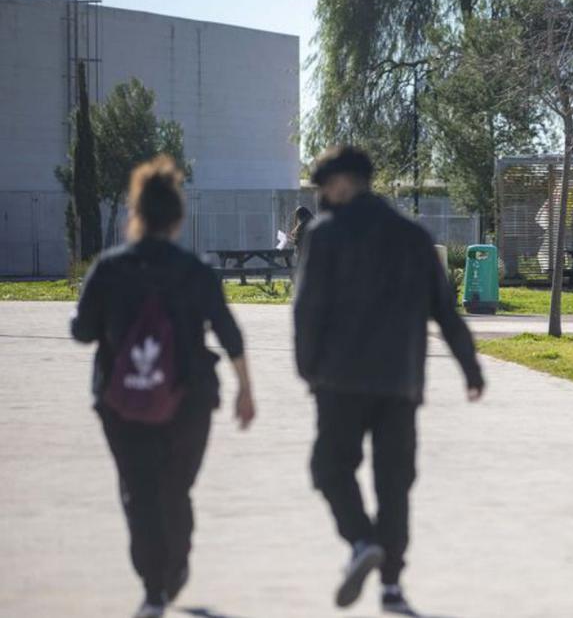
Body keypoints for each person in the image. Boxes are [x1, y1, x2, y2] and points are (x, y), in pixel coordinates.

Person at [293, 145, 485, 614]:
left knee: (329, 467)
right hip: (399, 380)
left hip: (339, 379)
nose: (323, 197)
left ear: (342, 183)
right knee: (394, 482)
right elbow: (444, 308)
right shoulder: (411, 236)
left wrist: (307, 368)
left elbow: (308, 309)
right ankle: (392, 586)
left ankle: (361, 541)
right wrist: (470, 367)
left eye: (324, 188)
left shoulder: (325, 234)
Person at [71, 157, 256, 618]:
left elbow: (83, 331)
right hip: (188, 402)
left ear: (136, 213)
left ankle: (154, 588)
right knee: (175, 489)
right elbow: (229, 332)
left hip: (120, 401)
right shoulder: (194, 271)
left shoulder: (109, 269)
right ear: (177, 217)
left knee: (138, 491)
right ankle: (175, 567)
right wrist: (245, 389)